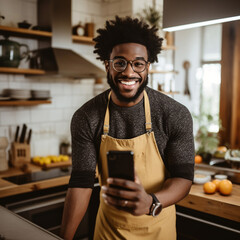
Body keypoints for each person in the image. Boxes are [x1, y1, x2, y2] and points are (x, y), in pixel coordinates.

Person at [61, 16, 195, 240]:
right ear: (107, 64)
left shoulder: (174, 114)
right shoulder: (86, 117)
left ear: (148, 66)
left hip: (158, 229)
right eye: (120, 62)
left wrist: (151, 202)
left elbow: (183, 178)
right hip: (108, 232)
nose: (129, 72)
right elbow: (81, 184)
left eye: (138, 64)